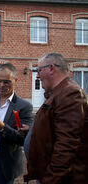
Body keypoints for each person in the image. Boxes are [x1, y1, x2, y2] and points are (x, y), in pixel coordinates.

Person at [24, 53, 88, 184]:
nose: (37, 75)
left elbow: (66, 146)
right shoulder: (59, 92)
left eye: (39, 70)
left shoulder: (70, 94)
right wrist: (34, 132)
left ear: (51, 68)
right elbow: (55, 128)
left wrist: (50, 180)